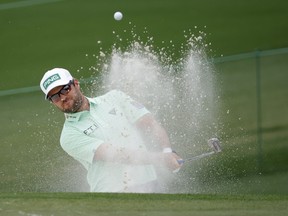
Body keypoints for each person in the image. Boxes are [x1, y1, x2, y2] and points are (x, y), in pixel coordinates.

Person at [40, 68, 182, 193]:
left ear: (76, 83)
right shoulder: (69, 136)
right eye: (55, 96)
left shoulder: (115, 97)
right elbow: (116, 154)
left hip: (151, 184)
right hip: (112, 196)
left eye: (65, 89)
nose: (63, 97)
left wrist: (167, 151)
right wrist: (161, 159)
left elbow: (150, 124)